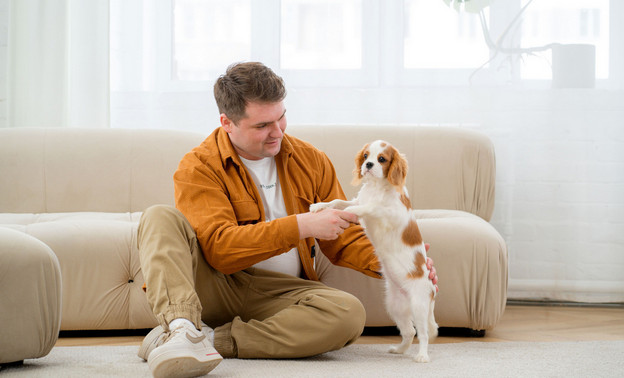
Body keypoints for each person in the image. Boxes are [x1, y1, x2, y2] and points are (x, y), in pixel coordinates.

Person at [137, 61, 438, 378]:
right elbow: (220, 250)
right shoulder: (198, 166)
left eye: (281, 117)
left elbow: (344, 236)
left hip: (282, 294)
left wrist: (398, 264)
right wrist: (301, 226)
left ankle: (203, 339)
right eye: (263, 125)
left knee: (348, 314)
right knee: (159, 216)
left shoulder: (310, 160)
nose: (277, 132)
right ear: (227, 122)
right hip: (216, 285)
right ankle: (183, 326)